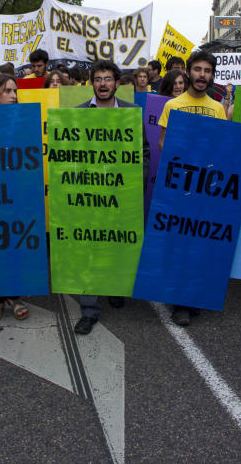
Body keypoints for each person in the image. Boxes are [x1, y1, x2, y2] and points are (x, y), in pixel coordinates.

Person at [72, 61, 151, 335]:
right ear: (91, 83)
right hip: (90, 196)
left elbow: (143, 151)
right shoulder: (79, 114)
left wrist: (135, 185)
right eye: (98, 79)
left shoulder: (131, 113)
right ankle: (89, 310)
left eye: (108, 79)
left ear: (118, 83)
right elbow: (71, 156)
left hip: (121, 194)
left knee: (117, 246)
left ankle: (116, 289)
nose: (103, 84)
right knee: (89, 252)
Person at [156, 51, 227, 326]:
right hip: (180, 186)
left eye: (207, 71)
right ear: (188, 73)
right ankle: (180, 301)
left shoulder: (218, 108)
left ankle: (193, 294)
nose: (202, 75)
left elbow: (222, 146)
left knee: (200, 242)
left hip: (206, 187)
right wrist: (185, 152)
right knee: (179, 242)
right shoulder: (172, 105)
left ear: (212, 75)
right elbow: (162, 143)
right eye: (197, 69)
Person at [0, 73, 30, 323]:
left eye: (15, 91)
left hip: (17, 190)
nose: (13, 96)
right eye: (7, 91)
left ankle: (16, 295)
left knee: (16, 241)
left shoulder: (23, 120)